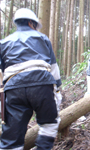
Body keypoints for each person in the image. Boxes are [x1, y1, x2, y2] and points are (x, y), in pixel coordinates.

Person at [0, 8, 62, 150]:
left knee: (11, 136)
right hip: (42, 84)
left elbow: (3, 71)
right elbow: (53, 67)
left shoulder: (4, 42)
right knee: (49, 124)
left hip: (14, 87)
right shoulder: (43, 38)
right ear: (31, 23)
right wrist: (57, 88)